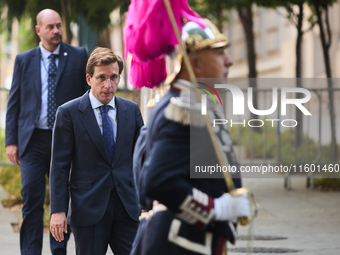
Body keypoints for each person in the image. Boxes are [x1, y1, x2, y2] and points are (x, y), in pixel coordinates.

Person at [135, 19, 250, 255]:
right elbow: (157, 180)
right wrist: (215, 209)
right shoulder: (182, 109)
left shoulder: (192, 103)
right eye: (218, 52)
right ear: (194, 62)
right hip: (179, 244)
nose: (228, 60)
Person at [5, 9, 88, 255]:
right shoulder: (24, 60)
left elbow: (86, 99)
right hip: (32, 141)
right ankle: (30, 251)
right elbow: (14, 103)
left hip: (64, 140)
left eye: (59, 26)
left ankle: (59, 250)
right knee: (31, 200)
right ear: (38, 30)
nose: (56, 31)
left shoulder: (78, 55)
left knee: (61, 200)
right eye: (50, 27)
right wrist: (11, 141)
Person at [49, 47, 144, 255]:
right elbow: (59, 166)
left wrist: (148, 202)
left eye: (114, 77)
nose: (108, 85)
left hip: (127, 207)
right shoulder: (68, 113)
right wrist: (58, 210)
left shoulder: (132, 110)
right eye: (101, 77)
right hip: (88, 209)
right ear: (89, 78)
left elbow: (142, 160)